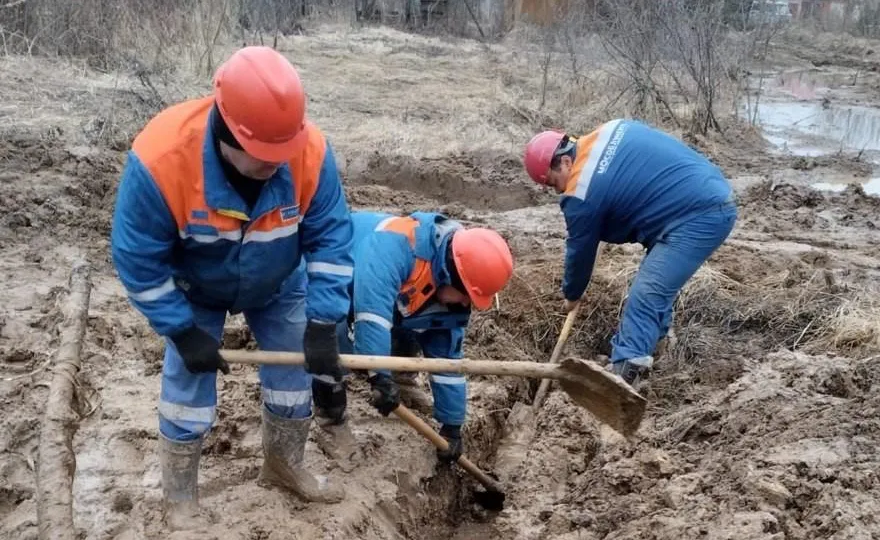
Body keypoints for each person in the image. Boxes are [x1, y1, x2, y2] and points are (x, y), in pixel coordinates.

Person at [110, 46, 354, 529]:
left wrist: (325, 322)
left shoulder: (310, 153)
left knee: (292, 382)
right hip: (194, 287)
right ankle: (180, 497)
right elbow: (137, 261)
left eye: (282, 153)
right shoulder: (161, 160)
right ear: (227, 128)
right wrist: (180, 331)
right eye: (263, 155)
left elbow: (331, 240)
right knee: (186, 387)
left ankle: (285, 465)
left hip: (279, 281)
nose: (275, 165)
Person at [522, 119, 737, 392]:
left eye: (554, 184)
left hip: (699, 215)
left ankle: (624, 377)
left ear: (564, 163)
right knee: (657, 276)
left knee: (647, 292)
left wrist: (572, 293)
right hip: (704, 189)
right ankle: (659, 342)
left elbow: (579, 252)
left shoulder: (580, 193)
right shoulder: (609, 128)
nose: (558, 191)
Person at [312, 210, 513, 465]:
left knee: (418, 318)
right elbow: (371, 316)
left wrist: (452, 426)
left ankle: (401, 379)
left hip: (383, 290)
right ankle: (331, 419)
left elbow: (447, 361)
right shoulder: (393, 246)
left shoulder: (448, 281)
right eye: (466, 295)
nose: (466, 302)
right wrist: (378, 376)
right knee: (330, 333)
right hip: (332, 271)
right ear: (453, 274)